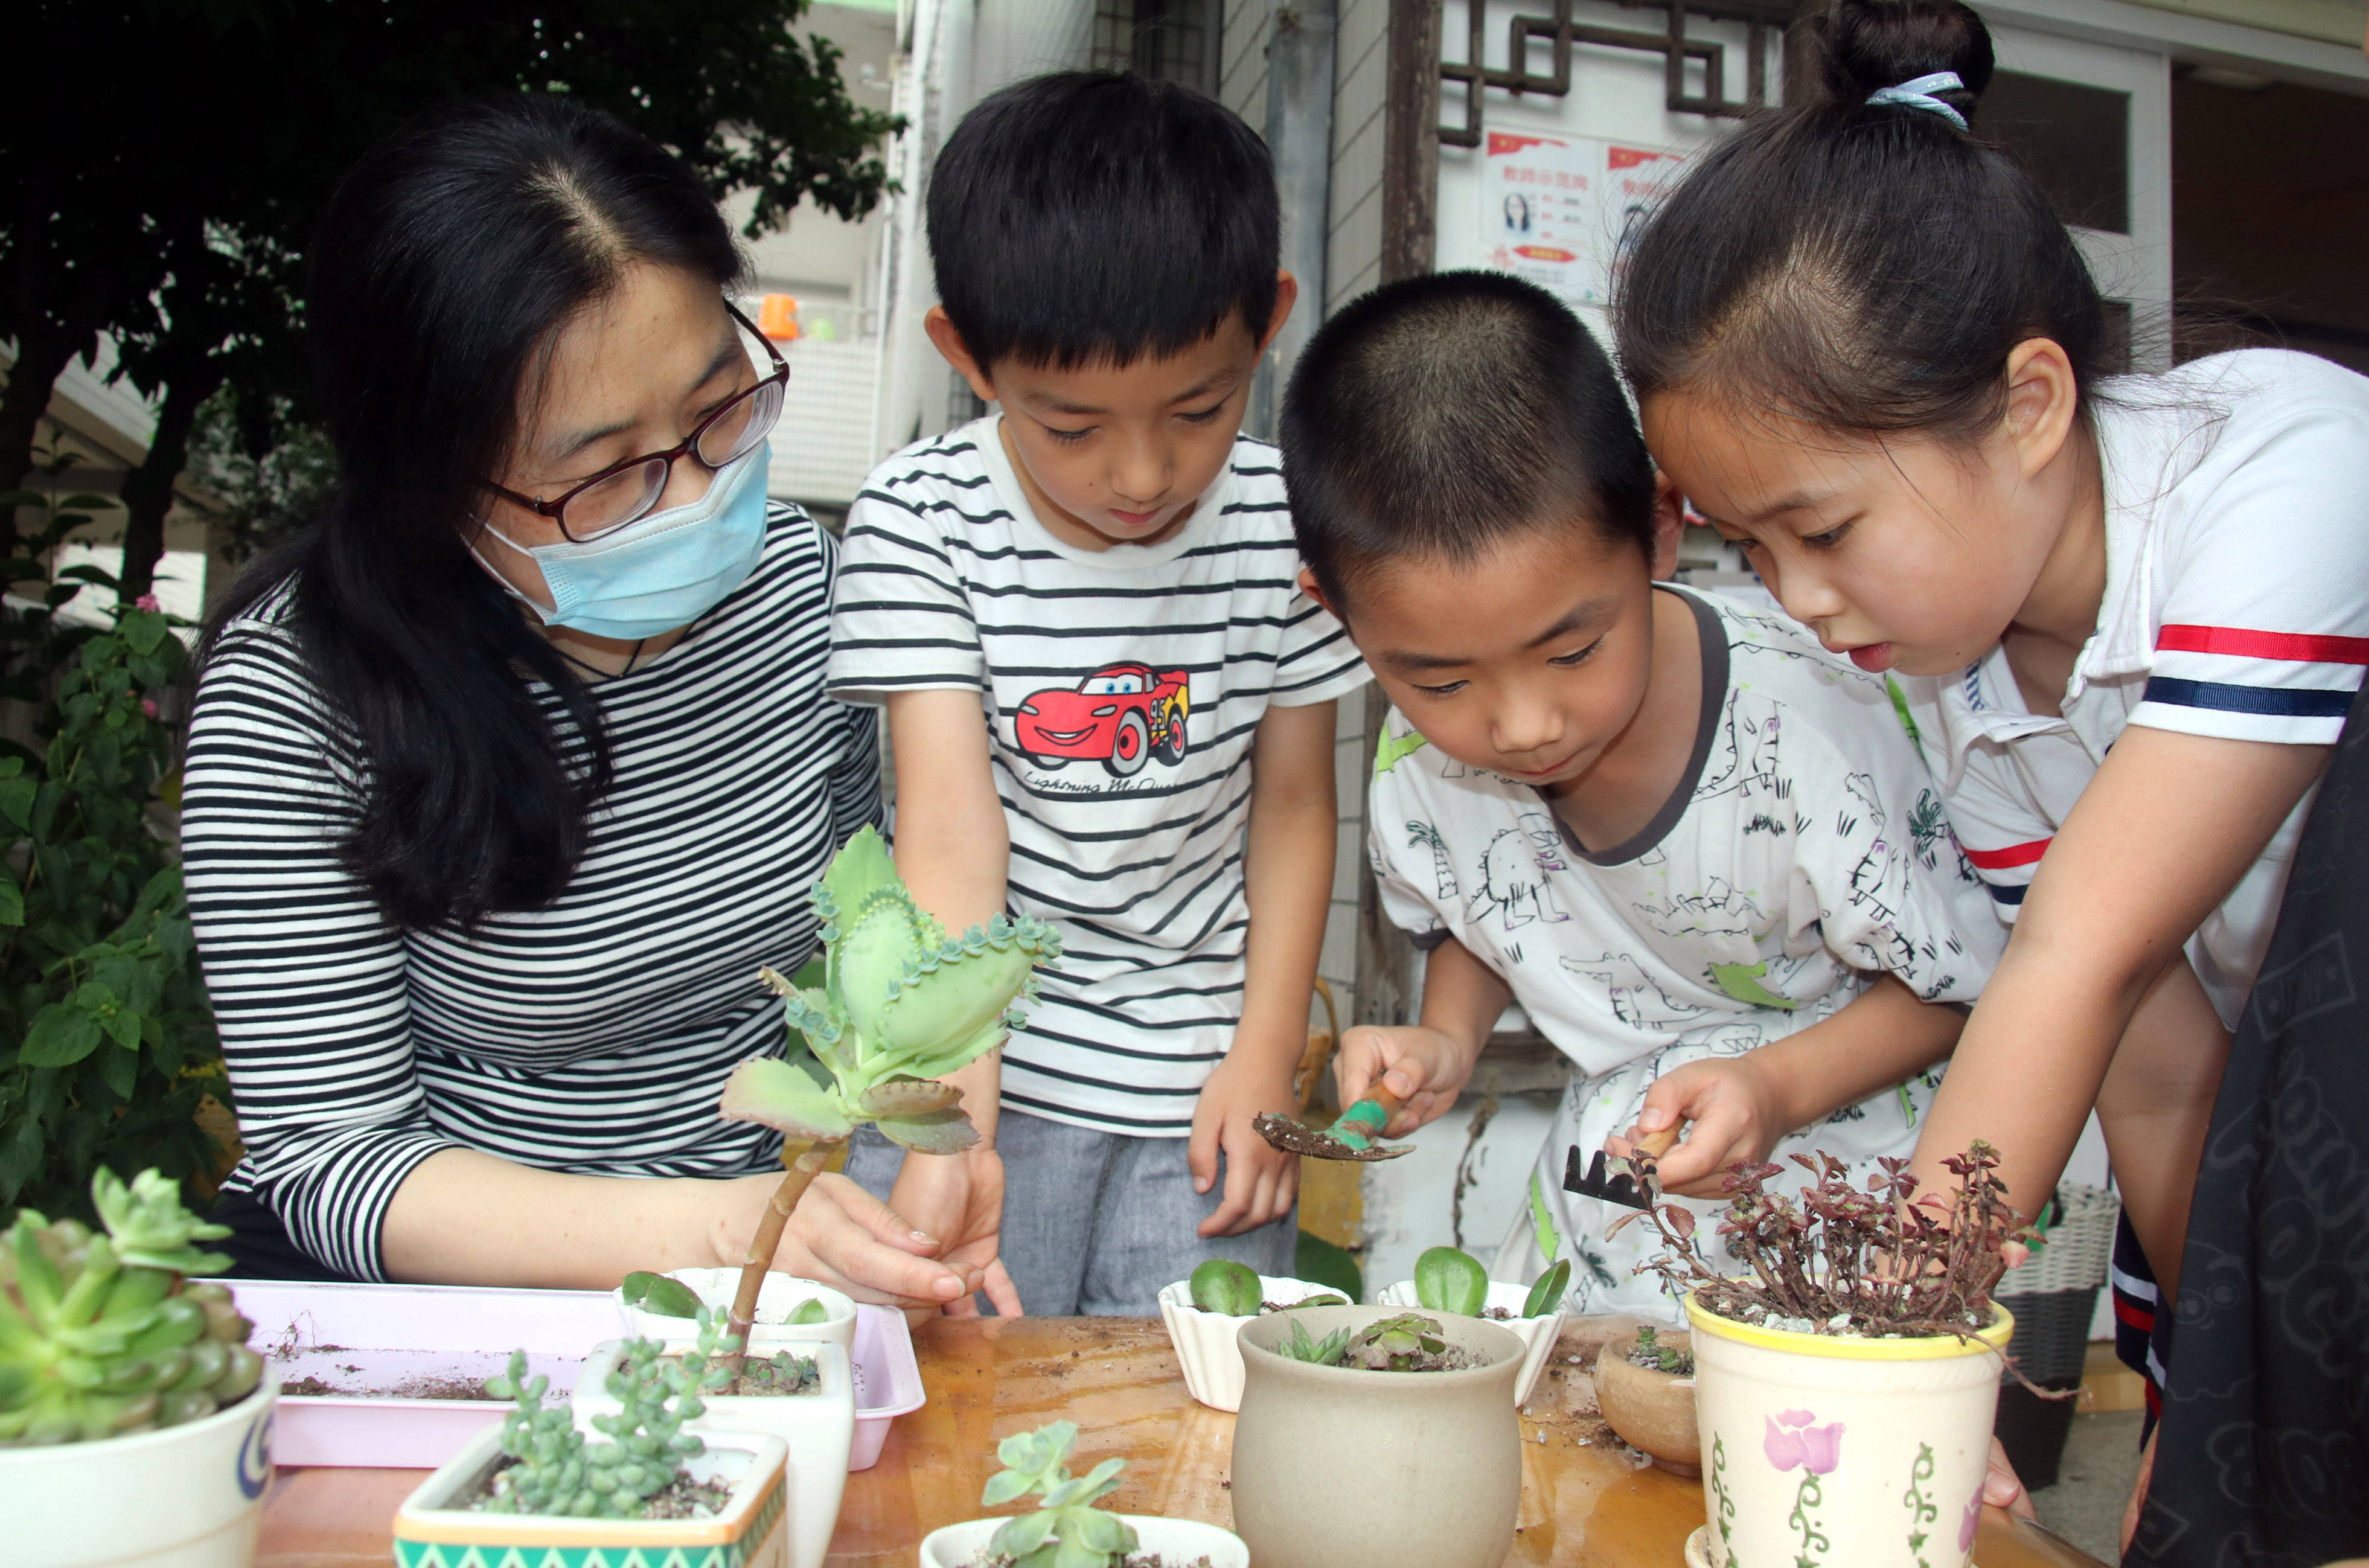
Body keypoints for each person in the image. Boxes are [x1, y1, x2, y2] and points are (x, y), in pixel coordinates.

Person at [1614, 0, 2369, 1415]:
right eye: (1752, 553)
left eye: (1823, 532)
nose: (1798, 600)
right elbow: (2151, 1075)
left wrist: (1886, 1367)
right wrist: (2229, 1401)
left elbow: (2077, 952)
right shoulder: (1968, 683)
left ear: (2027, 406)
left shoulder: (2288, 471)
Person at [182, 96, 983, 1313]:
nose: (700, 492)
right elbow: (330, 1156)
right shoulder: (297, 701)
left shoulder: (806, 594)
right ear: (430, 480)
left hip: (776, 1279)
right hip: (450, 1308)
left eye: (721, 407)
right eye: (606, 474)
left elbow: (888, 932)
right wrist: (718, 1233)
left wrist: (926, 1142)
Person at [1282, 269, 2005, 1316]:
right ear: (1335, 612)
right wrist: (1445, 1039)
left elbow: (1959, 987)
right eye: (1439, 678)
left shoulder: (1806, 722)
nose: (1522, 724)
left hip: (1844, 1233)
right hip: (1605, 1243)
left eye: (1574, 650)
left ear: (1660, 527)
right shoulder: (1420, 767)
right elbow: (1482, 921)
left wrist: (1776, 1086)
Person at [827, 72, 1367, 1316]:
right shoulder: (923, 521)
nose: (1141, 475)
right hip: (983, 1071)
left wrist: (1269, 1055)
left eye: (1199, 408)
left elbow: (1290, 808)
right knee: (948, 1416)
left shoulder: (1285, 522)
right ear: (967, 354)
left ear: (1268, 324)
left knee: (1191, 1438)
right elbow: (952, 835)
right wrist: (954, 1119)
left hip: (1208, 1092)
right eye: (1070, 426)